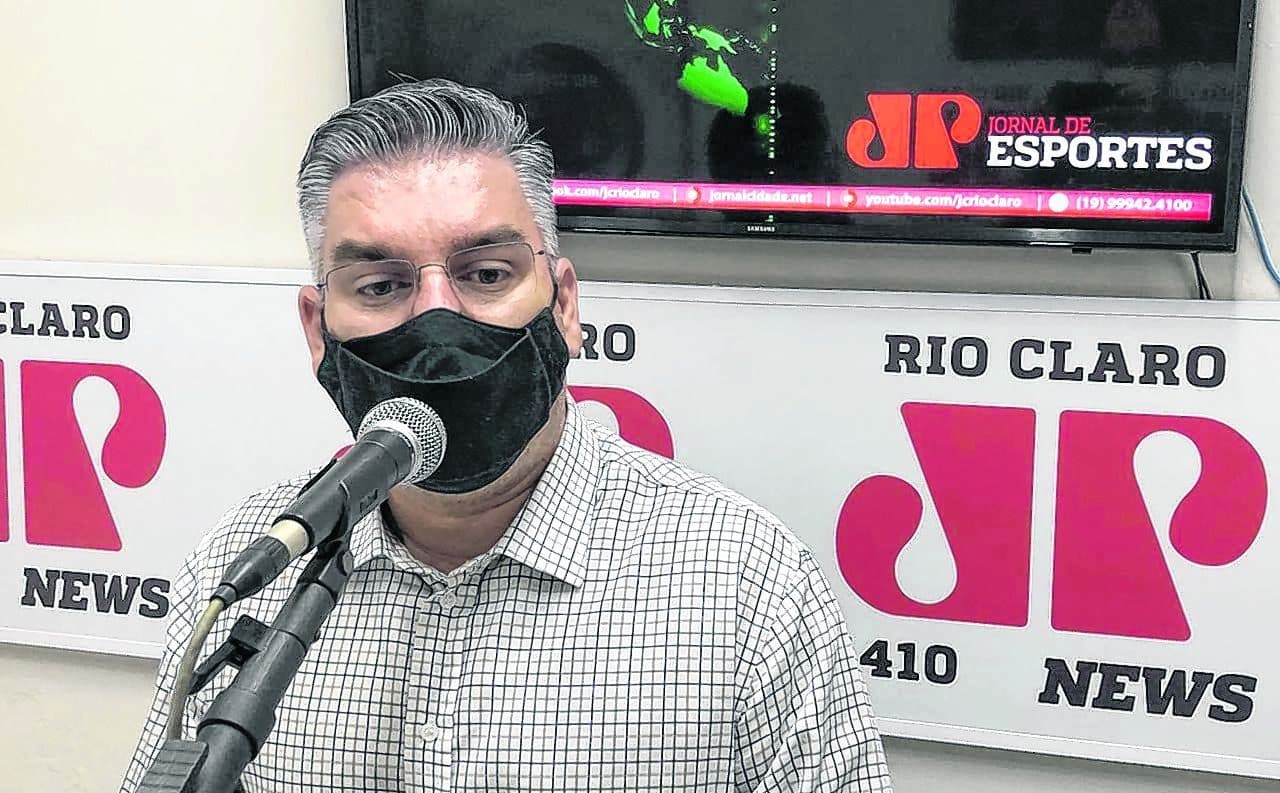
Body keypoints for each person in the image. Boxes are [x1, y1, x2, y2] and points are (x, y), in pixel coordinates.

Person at [121, 78, 893, 792]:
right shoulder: (242, 569)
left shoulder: (749, 587)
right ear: (319, 330)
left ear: (564, 305)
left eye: (486, 273)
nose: (435, 319)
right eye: (381, 285)